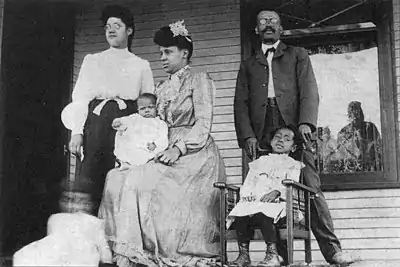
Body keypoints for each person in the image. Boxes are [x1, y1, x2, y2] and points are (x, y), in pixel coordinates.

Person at [233, 10, 358, 265]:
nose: (268, 25)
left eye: (274, 21)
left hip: (295, 130)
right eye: (263, 22)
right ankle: (277, 254)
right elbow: (240, 104)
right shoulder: (248, 64)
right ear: (256, 30)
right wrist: (247, 136)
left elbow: (309, 91)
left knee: (310, 187)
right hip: (261, 132)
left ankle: (333, 251)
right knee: (265, 189)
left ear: (281, 29)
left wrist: (305, 123)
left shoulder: (297, 55)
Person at [99, 20, 226, 267]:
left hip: (194, 152)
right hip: (162, 146)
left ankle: (159, 249)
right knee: (116, 177)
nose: (162, 58)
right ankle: (128, 251)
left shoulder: (199, 79)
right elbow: (151, 123)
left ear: (184, 53)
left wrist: (178, 148)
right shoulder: (161, 86)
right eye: (160, 53)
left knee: (143, 181)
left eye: (168, 52)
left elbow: (203, 123)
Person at [61, 5, 154, 214]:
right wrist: (77, 132)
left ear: (129, 31)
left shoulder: (141, 65)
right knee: (91, 179)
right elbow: (81, 98)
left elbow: (148, 102)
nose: (111, 30)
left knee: (123, 180)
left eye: (117, 26)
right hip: (97, 123)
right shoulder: (93, 60)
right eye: (107, 27)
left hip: (127, 124)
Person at [227, 125, 304, 267]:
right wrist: (248, 195)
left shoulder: (293, 165)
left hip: (279, 204)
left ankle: (272, 255)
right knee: (241, 214)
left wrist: (277, 191)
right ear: (271, 141)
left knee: (265, 213)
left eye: (286, 139)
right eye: (277, 137)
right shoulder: (260, 163)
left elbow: (293, 185)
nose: (281, 141)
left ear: (293, 147)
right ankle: (244, 255)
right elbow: (248, 183)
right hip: (255, 203)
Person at [13, 178, 112, 267]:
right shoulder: (55, 219)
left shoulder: (94, 222)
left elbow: (104, 250)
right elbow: (50, 244)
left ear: (91, 204)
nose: (74, 207)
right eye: (67, 200)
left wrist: (106, 260)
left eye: (83, 202)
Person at [112, 93, 168, 169]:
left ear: (156, 108)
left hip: (147, 147)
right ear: (138, 110)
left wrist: (156, 144)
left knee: (142, 157)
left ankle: (130, 165)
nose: (147, 110)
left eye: (150, 107)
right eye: (142, 108)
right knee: (126, 147)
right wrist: (119, 122)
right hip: (133, 144)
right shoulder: (135, 118)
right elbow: (125, 120)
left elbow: (163, 137)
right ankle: (124, 162)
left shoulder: (160, 123)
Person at [337, 101, 381, 172]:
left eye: (358, 113)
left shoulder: (370, 128)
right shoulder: (343, 132)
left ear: (362, 114)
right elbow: (340, 156)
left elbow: (379, 148)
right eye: (352, 113)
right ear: (349, 116)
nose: (355, 116)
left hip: (370, 170)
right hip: (351, 171)